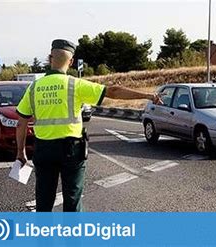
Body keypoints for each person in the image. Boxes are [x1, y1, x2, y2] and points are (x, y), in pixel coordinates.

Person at [15, 39, 160, 212]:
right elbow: (112, 91)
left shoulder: (34, 88)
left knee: (44, 201)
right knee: (72, 200)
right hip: (71, 151)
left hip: (44, 150)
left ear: (50, 58)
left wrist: (20, 152)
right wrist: (148, 96)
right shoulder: (75, 85)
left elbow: (21, 122)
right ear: (71, 62)